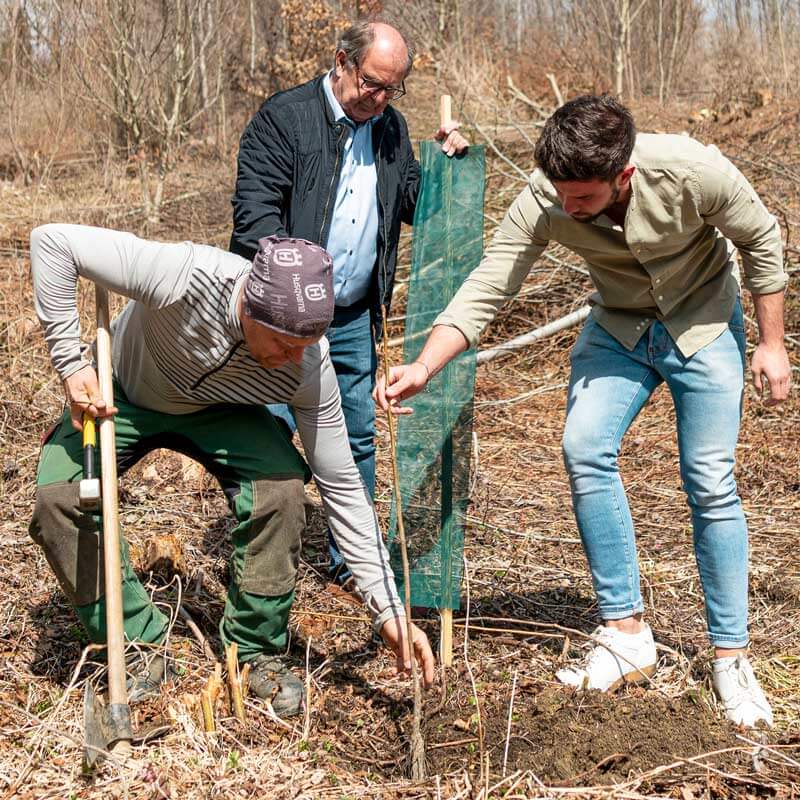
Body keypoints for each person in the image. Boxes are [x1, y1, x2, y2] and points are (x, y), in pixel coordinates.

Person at [376, 95, 791, 728]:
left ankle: (731, 657)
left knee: (709, 479)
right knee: (583, 447)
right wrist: (425, 366)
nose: (567, 209)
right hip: (620, 329)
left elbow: (761, 235)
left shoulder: (689, 168)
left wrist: (770, 343)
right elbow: (491, 283)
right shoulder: (548, 195)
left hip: (704, 321)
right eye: (561, 195)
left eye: (583, 199)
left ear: (622, 176)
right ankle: (625, 634)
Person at [29, 224, 435, 717]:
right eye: (286, 344)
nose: (296, 359)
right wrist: (72, 366)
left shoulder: (307, 364)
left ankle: (255, 652)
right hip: (125, 394)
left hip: (223, 412)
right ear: (250, 306)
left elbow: (343, 487)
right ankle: (136, 643)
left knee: (283, 491)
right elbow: (53, 242)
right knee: (60, 498)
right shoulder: (183, 275)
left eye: (308, 345)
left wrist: (387, 608)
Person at [229, 19, 468, 585]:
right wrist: (292, 294)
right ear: (341, 61)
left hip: (357, 314)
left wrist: (443, 165)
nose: (379, 99)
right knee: (269, 431)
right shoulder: (284, 119)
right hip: (285, 318)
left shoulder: (390, 127)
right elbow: (254, 217)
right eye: (371, 84)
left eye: (392, 89)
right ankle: (263, 562)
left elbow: (414, 202)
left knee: (356, 433)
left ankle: (351, 562)